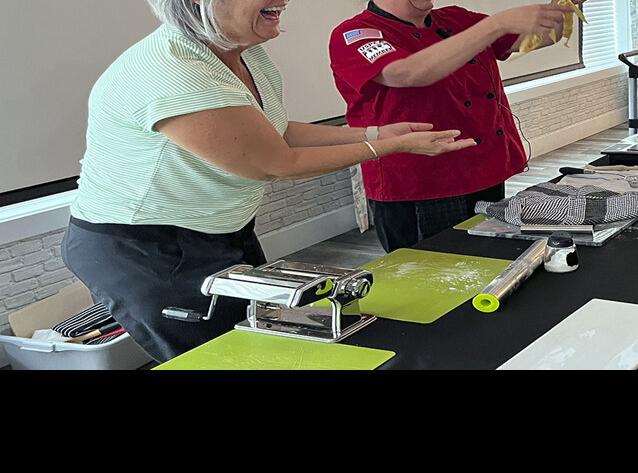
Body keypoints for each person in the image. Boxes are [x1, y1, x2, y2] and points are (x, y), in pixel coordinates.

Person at [62, 0, 475, 362]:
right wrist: (386, 149)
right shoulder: (173, 71)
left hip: (218, 231)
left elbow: (271, 130)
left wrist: (375, 133)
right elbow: (276, 162)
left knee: (261, 335)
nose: (283, 0)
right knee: (219, 354)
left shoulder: (245, 54)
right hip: (145, 247)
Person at [330, 0, 586, 252]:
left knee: (489, 260)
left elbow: (541, 38)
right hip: (420, 186)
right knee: (434, 275)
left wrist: (562, 9)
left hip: (483, 169)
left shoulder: (457, 19)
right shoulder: (355, 34)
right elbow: (407, 73)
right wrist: (497, 24)